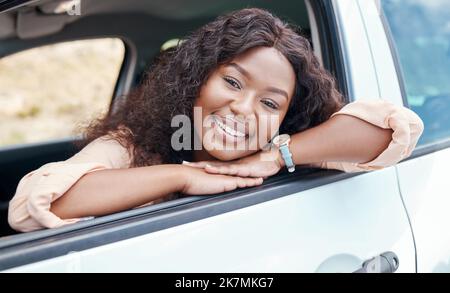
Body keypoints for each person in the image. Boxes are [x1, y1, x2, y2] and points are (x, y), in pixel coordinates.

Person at [8, 8, 423, 232]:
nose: (244, 109)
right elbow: (32, 206)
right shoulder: (131, 145)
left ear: (284, 118)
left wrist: (278, 158)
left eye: (269, 104)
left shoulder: (282, 148)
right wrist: (181, 177)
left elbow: (395, 129)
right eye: (232, 82)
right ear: (196, 81)